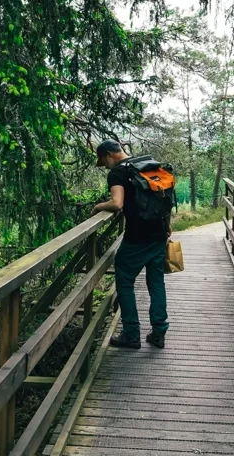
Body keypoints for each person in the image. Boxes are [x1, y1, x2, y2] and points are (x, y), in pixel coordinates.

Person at [91, 140, 169, 349]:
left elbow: (117, 204)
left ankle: (131, 334)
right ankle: (159, 333)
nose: (105, 166)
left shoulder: (118, 173)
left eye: (104, 161)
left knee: (125, 282)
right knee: (156, 283)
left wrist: (99, 206)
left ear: (109, 154)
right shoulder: (148, 164)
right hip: (159, 234)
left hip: (136, 237)